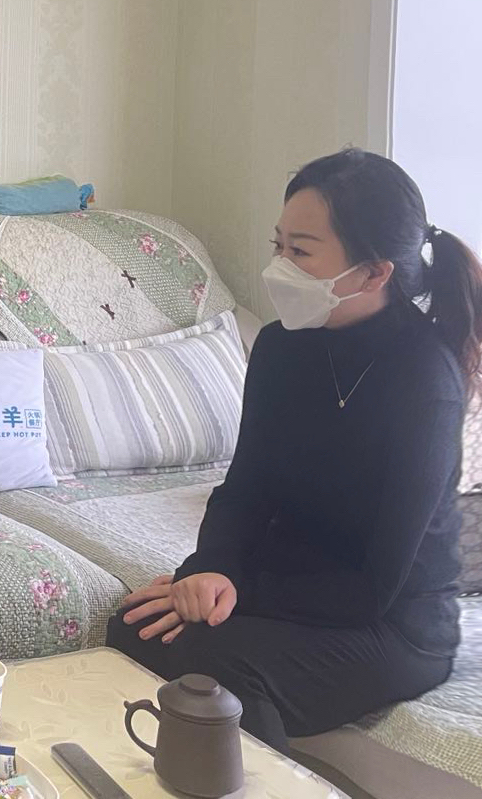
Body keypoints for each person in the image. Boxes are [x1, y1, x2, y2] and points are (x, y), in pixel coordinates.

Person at [108, 148, 476, 751]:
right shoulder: (282, 347)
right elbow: (244, 490)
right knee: (134, 630)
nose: (279, 266)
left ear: (374, 273)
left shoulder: (423, 380)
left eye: (301, 252)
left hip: (393, 623)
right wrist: (209, 570)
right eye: (278, 245)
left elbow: (373, 588)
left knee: (218, 671)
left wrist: (237, 592)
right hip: (293, 584)